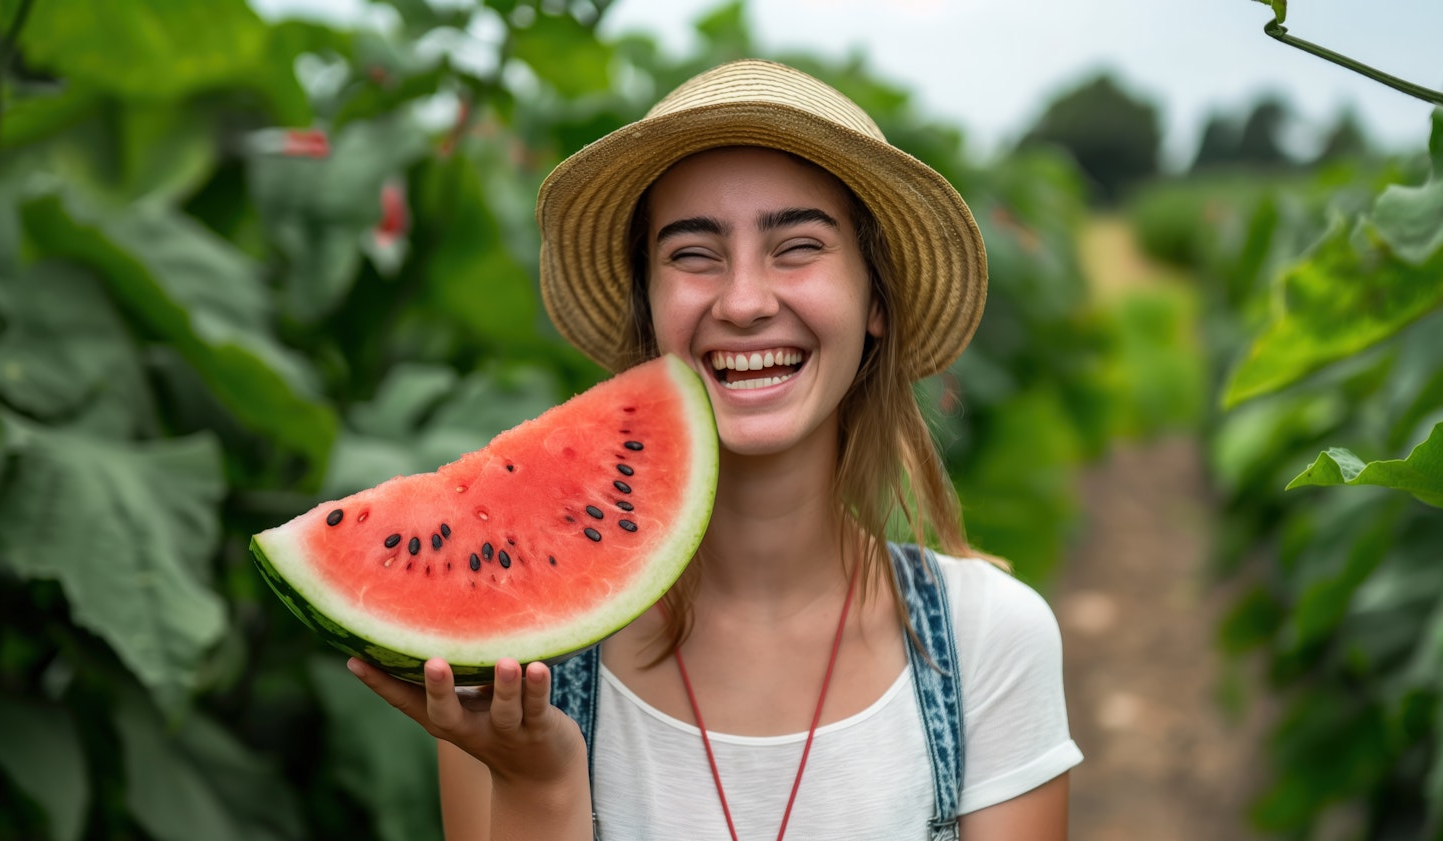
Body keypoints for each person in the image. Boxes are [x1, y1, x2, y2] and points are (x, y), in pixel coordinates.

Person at [349, 58, 1082, 841]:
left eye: (798, 246)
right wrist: (538, 783)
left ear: (876, 300)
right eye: (693, 255)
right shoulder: (509, 660)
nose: (743, 302)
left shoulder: (989, 644)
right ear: (651, 311)